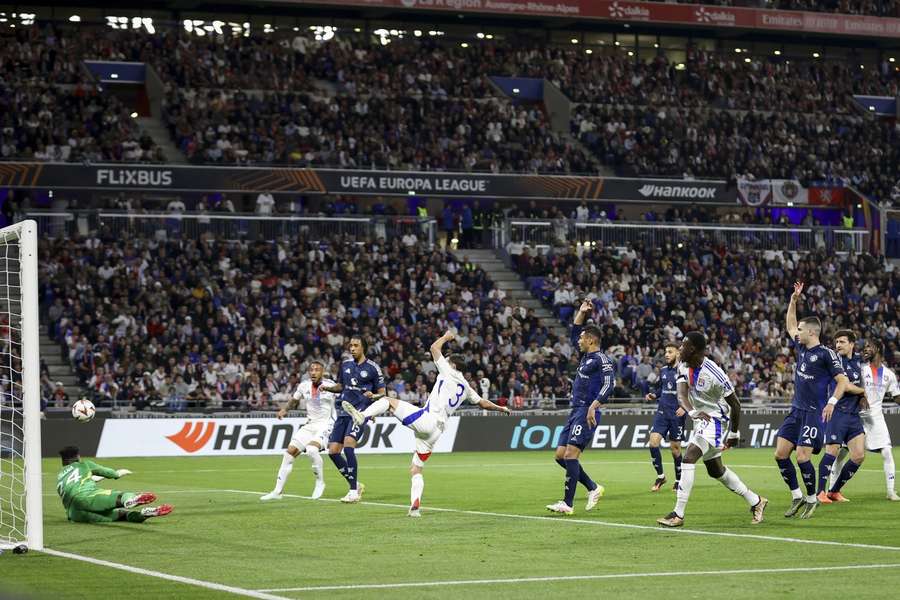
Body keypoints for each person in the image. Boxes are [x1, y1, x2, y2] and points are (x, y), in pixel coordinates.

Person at [343, 330, 510, 517]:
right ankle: (415, 507)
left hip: (427, 419)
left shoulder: (448, 371)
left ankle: (362, 416)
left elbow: (433, 347)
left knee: (389, 401)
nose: (444, 361)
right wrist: (501, 408)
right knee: (416, 468)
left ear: (453, 364)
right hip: (436, 433)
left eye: (447, 360)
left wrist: (446, 337)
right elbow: (483, 403)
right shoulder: (467, 387)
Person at [657, 332, 767, 527]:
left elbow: (736, 404)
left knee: (688, 457)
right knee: (716, 470)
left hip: (716, 420)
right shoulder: (683, 364)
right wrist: (692, 412)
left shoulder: (715, 374)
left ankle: (678, 514)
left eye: (683, 345)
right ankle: (756, 501)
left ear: (693, 349)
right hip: (700, 418)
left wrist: (734, 433)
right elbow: (681, 395)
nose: (679, 349)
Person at [774, 282, 850, 519]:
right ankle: (797, 495)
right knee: (780, 454)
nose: (797, 331)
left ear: (812, 332)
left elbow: (842, 382)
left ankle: (811, 498)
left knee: (802, 457)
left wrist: (831, 403)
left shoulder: (826, 354)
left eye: (801, 329)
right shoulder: (802, 347)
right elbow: (788, 325)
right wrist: (793, 301)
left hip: (813, 413)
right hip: (796, 411)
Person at [545, 300, 614, 515]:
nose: (579, 341)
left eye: (583, 338)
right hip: (576, 411)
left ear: (592, 339)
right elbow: (575, 329)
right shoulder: (586, 357)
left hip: (587, 412)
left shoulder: (602, 359)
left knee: (571, 456)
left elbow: (609, 384)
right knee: (560, 455)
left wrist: (594, 406)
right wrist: (582, 313)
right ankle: (593, 487)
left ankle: (568, 503)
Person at [831, 338, 900, 501]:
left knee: (887, 452)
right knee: (841, 453)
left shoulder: (889, 375)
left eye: (869, 346)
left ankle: (891, 491)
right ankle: (832, 489)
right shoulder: (860, 369)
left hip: (876, 418)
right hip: (854, 416)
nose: (866, 349)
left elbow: (896, 397)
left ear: (878, 349)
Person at [320, 336, 386, 503]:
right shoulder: (346, 365)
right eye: (351, 345)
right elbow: (340, 386)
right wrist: (327, 387)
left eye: (356, 345)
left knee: (349, 444)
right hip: (343, 412)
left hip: (360, 412)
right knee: (333, 451)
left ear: (363, 347)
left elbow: (383, 393)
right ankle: (356, 484)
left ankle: (353, 491)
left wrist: (374, 396)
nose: (352, 348)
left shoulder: (373, 368)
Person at [261, 360, 336, 501]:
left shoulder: (330, 385)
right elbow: (294, 400)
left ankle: (320, 483)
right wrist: (285, 409)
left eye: (317, 370)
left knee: (312, 450)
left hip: (326, 425)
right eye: (311, 370)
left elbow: (342, 391)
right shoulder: (304, 386)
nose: (314, 372)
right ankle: (277, 491)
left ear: (322, 372)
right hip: (310, 425)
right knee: (289, 453)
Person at [56, 446, 172, 524]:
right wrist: (117, 473)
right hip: (87, 497)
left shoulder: (61, 476)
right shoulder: (84, 465)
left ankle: (144, 514)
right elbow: (108, 473)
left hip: (75, 514)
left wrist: (94, 479)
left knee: (120, 515)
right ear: (77, 457)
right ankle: (130, 500)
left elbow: (77, 483)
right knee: (120, 496)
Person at [817, 330, 868, 503]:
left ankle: (834, 491)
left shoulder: (858, 360)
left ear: (852, 344)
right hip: (837, 413)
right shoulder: (835, 361)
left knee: (859, 455)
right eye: (836, 342)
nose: (838, 345)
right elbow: (845, 386)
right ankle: (820, 492)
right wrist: (864, 392)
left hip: (853, 415)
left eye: (842, 342)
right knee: (832, 451)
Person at [645, 342, 685, 492]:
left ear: (678, 354)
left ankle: (678, 480)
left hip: (676, 415)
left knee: (675, 449)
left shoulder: (684, 371)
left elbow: (692, 393)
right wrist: (653, 395)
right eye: (666, 352)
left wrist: (684, 407)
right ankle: (661, 477)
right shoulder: (662, 371)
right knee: (653, 443)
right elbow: (661, 389)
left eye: (670, 352)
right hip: (662, 413)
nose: (667, 354)